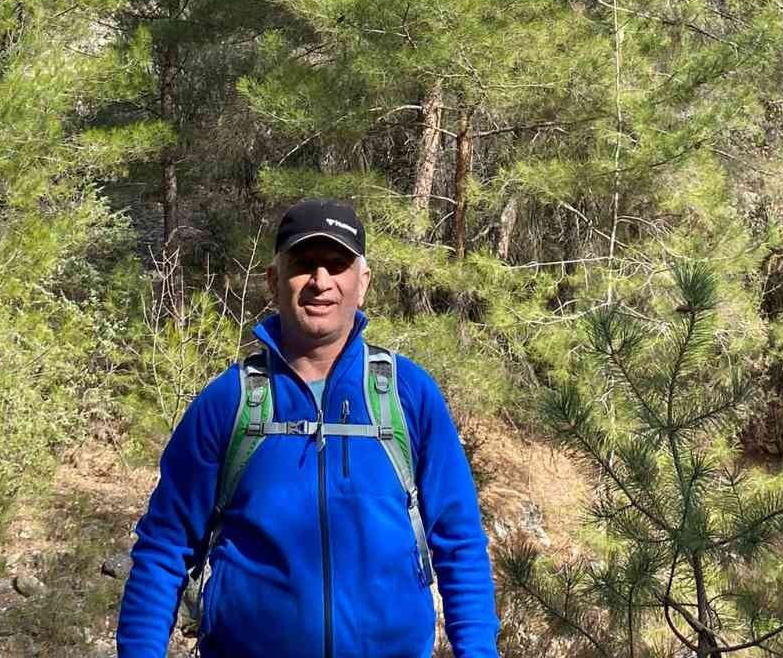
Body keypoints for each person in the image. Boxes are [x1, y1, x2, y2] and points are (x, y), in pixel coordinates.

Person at [116, 197, 500, 658]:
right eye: (303, 264)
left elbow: (460, 543)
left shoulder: (407, 394)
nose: (320, 281)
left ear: (362, 283)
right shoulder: (229, 401)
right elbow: (164, 548)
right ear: (274, 280)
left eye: (337, 265)